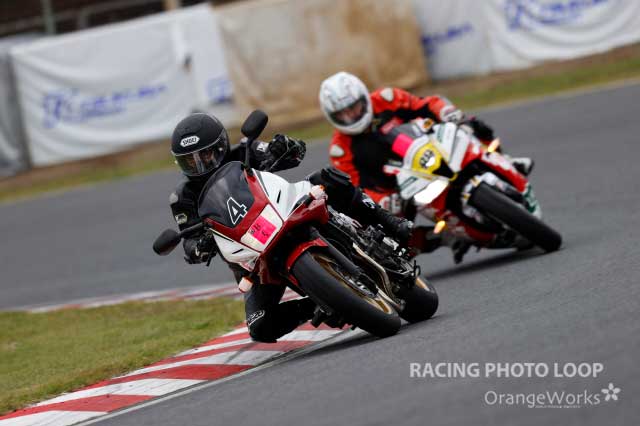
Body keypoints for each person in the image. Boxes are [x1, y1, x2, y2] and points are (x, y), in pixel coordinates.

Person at [168, 112, 413, 343]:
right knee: (260, 325)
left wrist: (284, 146)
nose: (199, 165)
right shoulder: (183, 198)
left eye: (205, 155)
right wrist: (199, 247)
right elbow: (188, 240)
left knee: (325, 178)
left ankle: (388, 220)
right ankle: (317, 303)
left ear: (221, 146)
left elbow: (294, 153)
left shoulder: (245, 151)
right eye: (189, 161)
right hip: (253, 259)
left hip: (285, 210)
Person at [318, 71, 533, 262]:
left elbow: (426, 104)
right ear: (332, 117)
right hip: (400, 188)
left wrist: (447, 112)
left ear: (364, 98)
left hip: (429, 147)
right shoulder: (340, 148)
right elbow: (354, 188)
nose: (351, 116)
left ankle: (505, 160)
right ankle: (442, 237)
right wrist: (381, 200)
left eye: (353, 107)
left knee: (471, 125)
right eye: (342, 114)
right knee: (387, 238)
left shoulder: (386, 98)